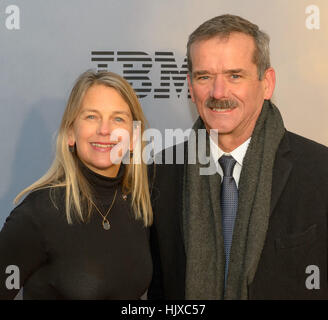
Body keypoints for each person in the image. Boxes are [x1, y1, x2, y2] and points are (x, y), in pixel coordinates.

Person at [148, 14, 328, 300]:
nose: (218, 93)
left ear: (267, 83)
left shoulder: (320, 171)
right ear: (190, 87)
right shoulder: (159, 173)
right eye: (204, 77)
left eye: (235, 75)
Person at [0, 70, 153, 299]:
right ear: (71, 132)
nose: (104, 129)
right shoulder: (39, 213)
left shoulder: (139, 204)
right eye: (91, 116)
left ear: (133, 137)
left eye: (118, 118)